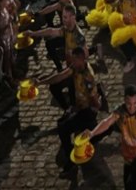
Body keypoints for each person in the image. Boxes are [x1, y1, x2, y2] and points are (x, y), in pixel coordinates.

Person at [34, 47, 106, 178]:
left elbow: (94, 101)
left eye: (74, 59)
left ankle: (72, 163)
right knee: (65, 126)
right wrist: (41, 82)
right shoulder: (76, 67)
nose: (71, 62)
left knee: (63, 128)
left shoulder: (87, 76)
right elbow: (60, 76)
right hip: (80, 107)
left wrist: (95, 106)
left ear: (82, 59)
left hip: (86, 111)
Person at [86, 85, 136, 190]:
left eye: (134, 103)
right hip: (128, 155)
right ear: (124, 100)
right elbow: (107, 122)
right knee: (128, 186)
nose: (131, 107)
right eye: (128, 104)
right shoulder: (120, 111)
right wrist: (92, 133)